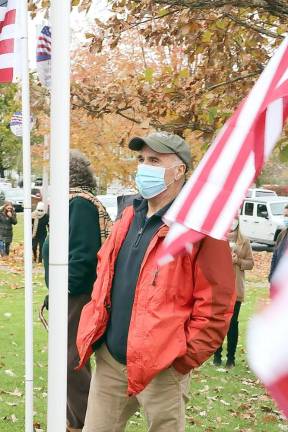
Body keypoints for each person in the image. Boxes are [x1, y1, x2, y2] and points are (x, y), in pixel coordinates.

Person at [76, 132, 236, 432]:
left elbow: (216, 303)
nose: (143, 167)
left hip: (163, 365)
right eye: (141, 160)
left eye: (154, 160)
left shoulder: (200, 227)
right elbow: (105, 274)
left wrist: (183, 359)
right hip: (112, 359)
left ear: (179, 171)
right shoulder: (128, 214)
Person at [43, 150, 112, 432]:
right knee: (68, 362)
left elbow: (83, 258)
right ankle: (75, 421)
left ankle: (85, 424)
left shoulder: (80, 204)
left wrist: (62, 292)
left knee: (70, 362)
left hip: (78, 296)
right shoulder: (70, 202)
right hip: (69, 295)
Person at [213, 216, 254, 368]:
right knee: (219, 324)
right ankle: (217, 355)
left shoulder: (244, 242)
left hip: (236, 289)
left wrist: (238, 261)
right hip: (220, 289)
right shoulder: (218, 238)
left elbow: (250, 263)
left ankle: (231, 358)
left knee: (233, 324)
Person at [268, 204, 288, 284]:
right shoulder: (282, 234)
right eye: (285, 216)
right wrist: (272, 275)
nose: (286, 218)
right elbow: (275, 256)